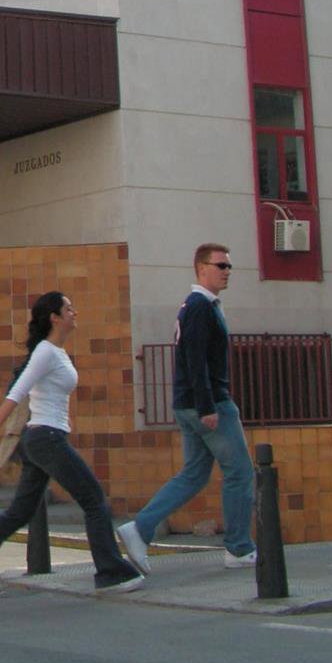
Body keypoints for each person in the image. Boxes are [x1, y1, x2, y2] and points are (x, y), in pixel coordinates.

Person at [0, 291, 144, 597]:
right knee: (94, 501)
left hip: (44, 438)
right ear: (55, 317)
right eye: (69, 308)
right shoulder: (45, 352)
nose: (75, 312)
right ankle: (112, 574)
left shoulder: (56, 352)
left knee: (19, 513)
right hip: (46, 439)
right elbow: (16, 393)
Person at [118, 243, 255, 575]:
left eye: (229, 266)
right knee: (240, 472)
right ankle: (238, 548)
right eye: (221, 266)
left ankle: (139, 529)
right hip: (208, 405)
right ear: (202, 268)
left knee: (194, 474)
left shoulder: (197, 306)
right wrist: (208, 405)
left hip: (189, 405)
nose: (227, 272)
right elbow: (195, 359)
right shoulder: (200, 306)